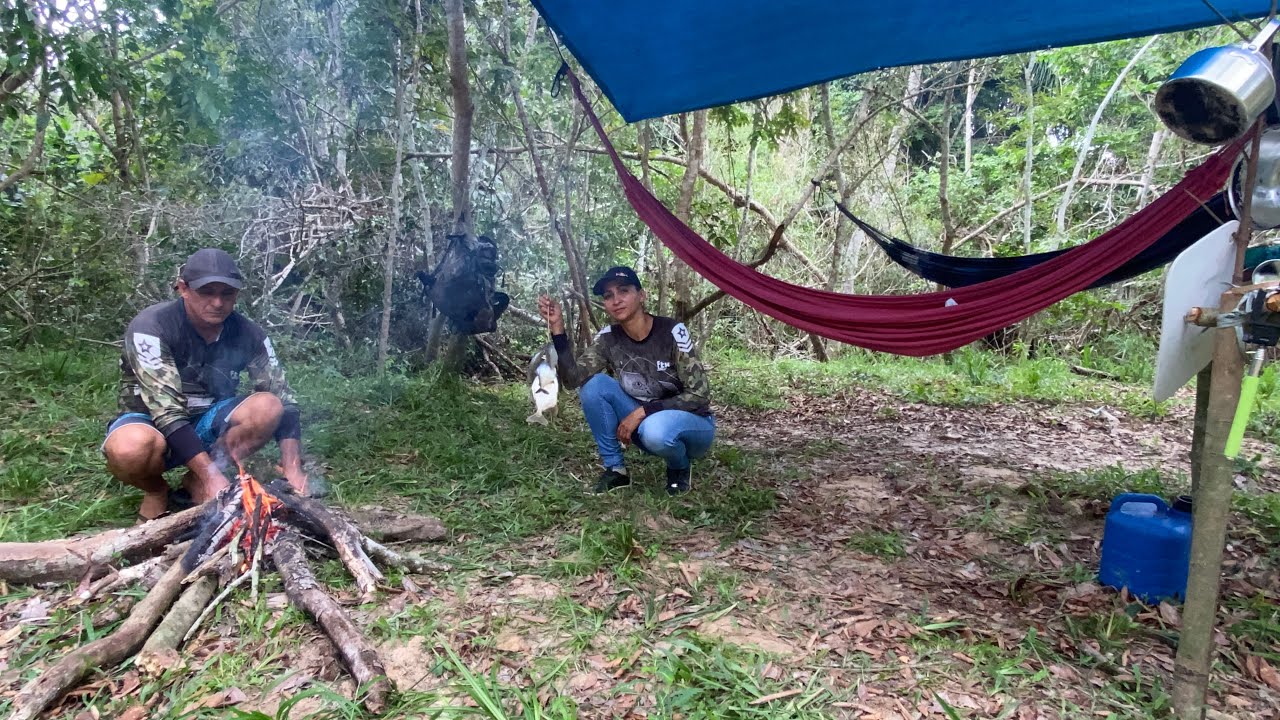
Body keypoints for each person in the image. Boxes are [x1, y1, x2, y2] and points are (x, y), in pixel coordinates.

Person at [102, 248, 309, 521]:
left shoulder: (249, 333)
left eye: (227, 294)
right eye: (206, 292)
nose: (217, 302)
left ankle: (194, 480)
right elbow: (168, 412)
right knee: (129, 448)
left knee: (269, 405)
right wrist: (212, 476)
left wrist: (292, 467)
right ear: (183, 288)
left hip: (208, 421)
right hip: (148, 421)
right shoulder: (151, 327)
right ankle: (156, 490)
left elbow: (284, 397)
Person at [537, 266, 716, 495]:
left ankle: (679, 467)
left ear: (641, 296)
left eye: (623, 291)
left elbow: (700, 395)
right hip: (645, 426)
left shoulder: (672, 331)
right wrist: (558, 330)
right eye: (609, 295)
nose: (616, 300)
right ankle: (616, 469)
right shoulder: (608, 339)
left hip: (693, 426)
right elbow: (573, 380)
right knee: (593, 386)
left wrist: (642, 411)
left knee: (656, 430)